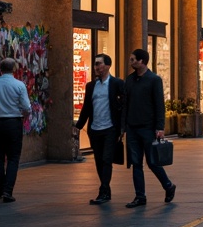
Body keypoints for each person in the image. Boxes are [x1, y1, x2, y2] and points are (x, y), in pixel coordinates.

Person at [123, 48, 176, 207]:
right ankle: (140, 196)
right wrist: (123, 127)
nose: (131, 62)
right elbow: (126, 104)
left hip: (148, 128)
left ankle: (168, 186)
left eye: (133, 60)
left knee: (153, 162)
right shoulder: (130, 80)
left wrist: (160, 127)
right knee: (136, 163)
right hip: (132, 128)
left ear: (141, 61)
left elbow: (160, 105)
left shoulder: (154, 80)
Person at [73, 54, 125, 204]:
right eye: (95, 64)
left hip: (110, 128)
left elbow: (124, 106)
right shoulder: (91, 86)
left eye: (99, 64)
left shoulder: (117, 84)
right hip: (95, 129)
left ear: (108, 66)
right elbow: (86, 108)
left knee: (107, 159)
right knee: (98, 160)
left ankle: (103, 190)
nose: (96, 67)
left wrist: (122, 127)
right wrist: (78, 126)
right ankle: (106, 190)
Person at [0, 56, 31, 203]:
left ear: (0, 69)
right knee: (13, 158)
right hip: (13, 123)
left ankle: (2, 186)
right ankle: (7, 191)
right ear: (14, 69)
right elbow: (27, 107)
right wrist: (24, 116)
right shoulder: (19, 85)